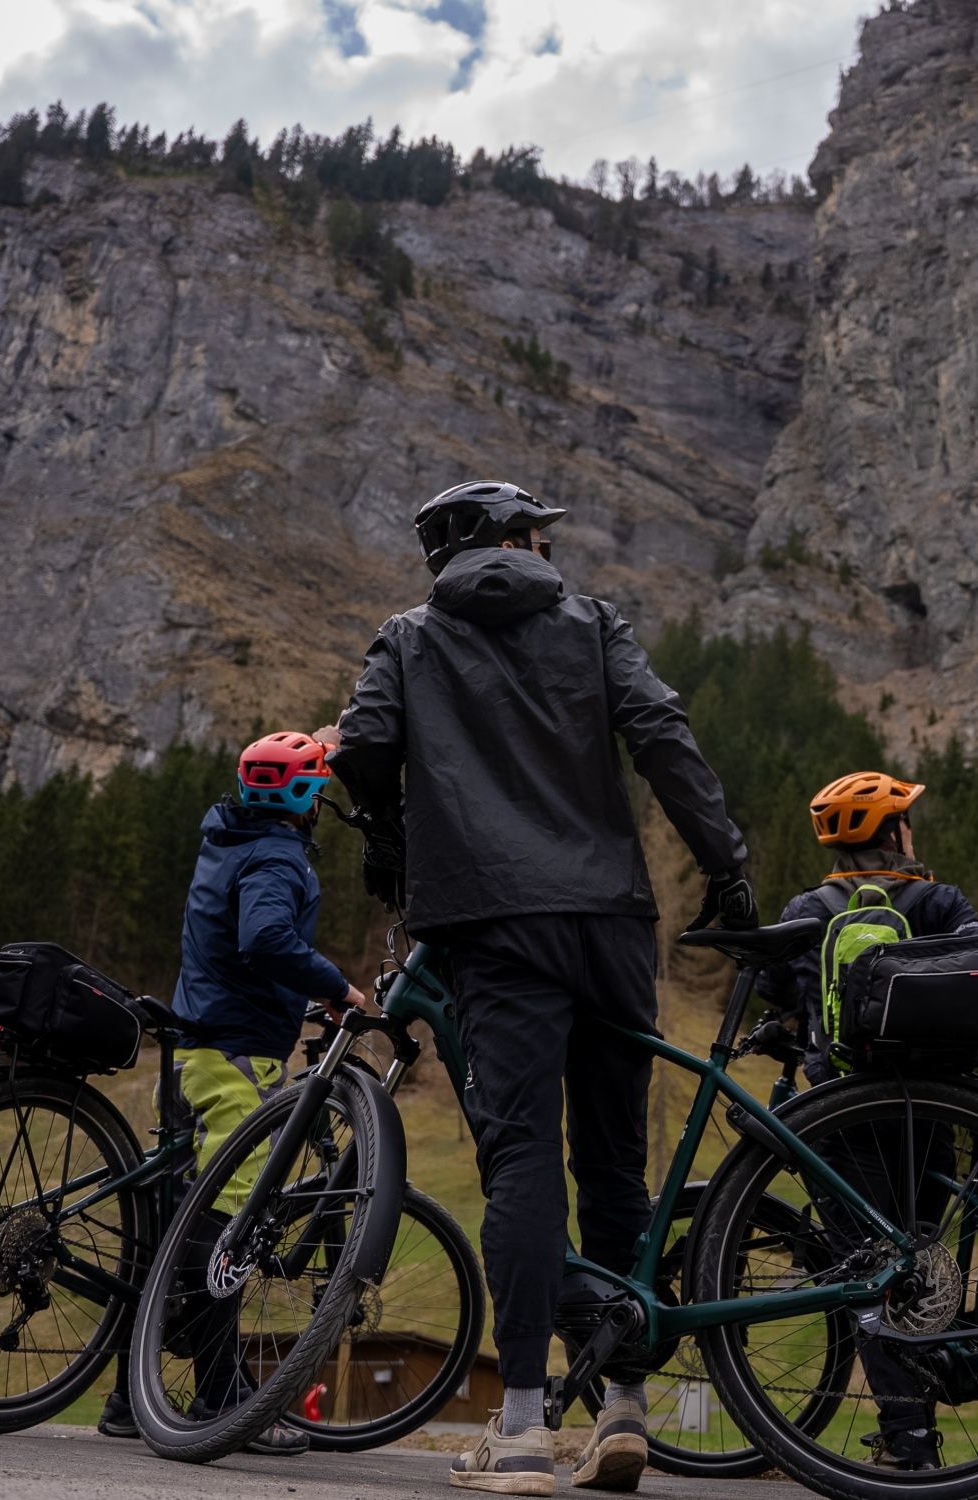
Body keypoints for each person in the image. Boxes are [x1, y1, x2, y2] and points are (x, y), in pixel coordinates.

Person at [322, 480, 754, 1496]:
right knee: (614, 1162)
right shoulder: (592, 623)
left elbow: (362, 747)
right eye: (534, 534)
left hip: (491, 924)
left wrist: (387, 836)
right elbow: (660, 735)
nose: (544, 551)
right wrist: (723, 862)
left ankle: (519, 1430)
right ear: (508, 539)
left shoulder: (410, 634)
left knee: (521, 1159)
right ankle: (621, 1414)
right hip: (608, 919)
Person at [754, 770, 978, 1469]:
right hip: (934, 1109)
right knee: (923, 1265)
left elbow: (780, 994)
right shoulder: (939, 900)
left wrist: (786, 1026)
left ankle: (909, 1441)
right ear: (892, 832)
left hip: (844, 1115)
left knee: (871, 1275)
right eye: (907, 821)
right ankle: (919, 1422)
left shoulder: (809, 907)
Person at [99, 730, 366, 1454]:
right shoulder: (277, 856)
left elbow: (236, 948)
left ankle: (130, 1395)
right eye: (317, 787)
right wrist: (336, 986)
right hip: (236, 1055)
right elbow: (266, 940)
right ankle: (221, 1395)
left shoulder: (228, 837)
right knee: (229, 1220)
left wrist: (329, 739)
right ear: (306, 799)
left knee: (181, 1218)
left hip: (197, 1044)